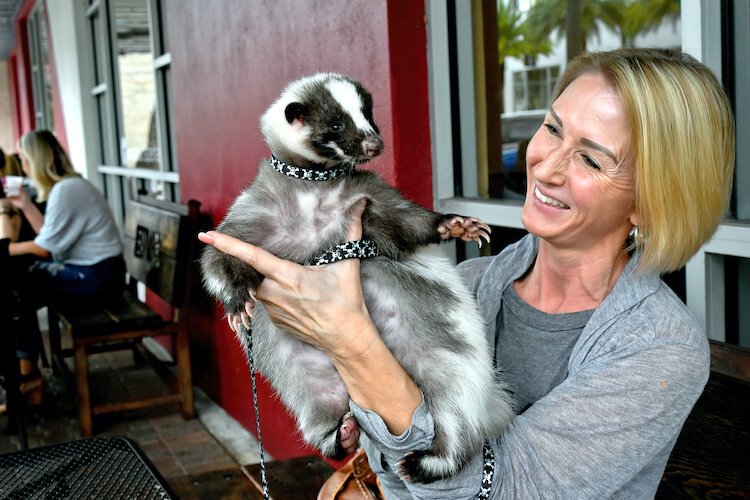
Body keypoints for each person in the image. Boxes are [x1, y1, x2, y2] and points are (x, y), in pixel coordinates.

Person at [198, 48, 735, 498]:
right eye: (552, 128)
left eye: (591, 160)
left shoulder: (658, 348)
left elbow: (501, 492)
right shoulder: (473, 282)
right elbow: (388, 466)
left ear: (650, 201)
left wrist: (352, 342)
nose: (545, 166)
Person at [0, 130, 126, 407]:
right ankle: (27, 372)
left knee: (17, 290)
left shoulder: (67, 190)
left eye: (24, 158)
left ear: (36, 159)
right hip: (99, 273)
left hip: (98, 278)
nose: (22, 166)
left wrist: (3, 248)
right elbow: (48, 238)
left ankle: (27, 375)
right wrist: (26, 205)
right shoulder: (68, 186)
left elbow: (43, 249)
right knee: (17, 289)